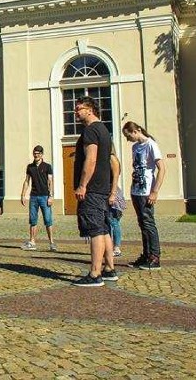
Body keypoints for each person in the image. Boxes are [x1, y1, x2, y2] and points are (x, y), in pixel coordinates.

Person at [72, 96, 118, 287]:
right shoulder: (104, 130)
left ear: (90, 110)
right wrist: (112, 188)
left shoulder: (91, 130)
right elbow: (115, 163)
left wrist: (82, 185)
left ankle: (95, 273)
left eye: (79, 109)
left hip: (92, 190)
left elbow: (90, 160)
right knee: (104, 228)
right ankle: (109, 269)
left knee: (95, 230)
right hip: (102, 188)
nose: (76, 112)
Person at [123, 121, 165, 271]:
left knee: (148, 223)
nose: (128, 140)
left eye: (129, 136)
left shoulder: (151, 144)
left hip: (147, 190)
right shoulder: (135, 147)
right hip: (136, 190)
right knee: (142, 224)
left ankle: (154, 256)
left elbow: (162, 169)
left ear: (137, 130)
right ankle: (146, 255)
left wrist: (155, 191)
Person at [20, 145, 56, 252]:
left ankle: (52, 243)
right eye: (34, 153)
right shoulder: (30, 167)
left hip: (45, 196)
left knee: (48, 220)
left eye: (38, 153)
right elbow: (27, 181)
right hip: (34, 196)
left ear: (42, 154)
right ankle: (32, 242)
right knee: (33, 220)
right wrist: (23, 195)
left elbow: (50, 182)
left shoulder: (47, 166)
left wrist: (51, 196)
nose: (36, 155)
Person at [108, 149, 125, 257]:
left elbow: (115, 178)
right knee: (108, 222)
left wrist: (113, 194)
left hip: (113, 192)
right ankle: (109, 246)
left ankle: (116, 247)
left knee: (114, 222)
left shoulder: (112, 159)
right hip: (107, 191)